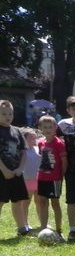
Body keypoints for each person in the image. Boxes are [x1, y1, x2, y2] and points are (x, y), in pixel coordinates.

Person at [57, 97, 75, 240]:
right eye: (74, 109)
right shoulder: (63, 125)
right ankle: (72, 229)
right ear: (68, 111)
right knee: (72, 200)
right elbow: (54, 139)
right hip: (70, 168)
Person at [0, 100, 31, 236]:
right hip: (2, 173)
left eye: (10, 114)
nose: (8, 116)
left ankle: (22, 228)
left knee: (18, 201)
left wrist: (20, 169)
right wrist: (4, 170)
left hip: (16, 173)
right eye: (3, 114)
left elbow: (24, 152)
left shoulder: (17, 131)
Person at [35, 115, 66, 237]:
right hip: (42, 177)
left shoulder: (59, 143)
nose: (48, 129)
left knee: (55, 203)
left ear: (55, 128)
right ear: (40, 128)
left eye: (50, 127)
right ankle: (43, 229)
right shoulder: (40, 143)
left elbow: (64, 161)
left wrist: (61, 176)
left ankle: (58, 230)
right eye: (45, 127)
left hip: (54, 179)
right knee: (42, 202)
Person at [21, 129, 40, 233]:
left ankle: (42, 222)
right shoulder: (22, 150)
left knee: (39, 201)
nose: (33, 139)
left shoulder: (38, 149)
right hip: (27, 180)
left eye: (34, 137)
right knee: (26, 203)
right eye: (30, 137)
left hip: (39, 179)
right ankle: (25, 223)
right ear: (24, 139)